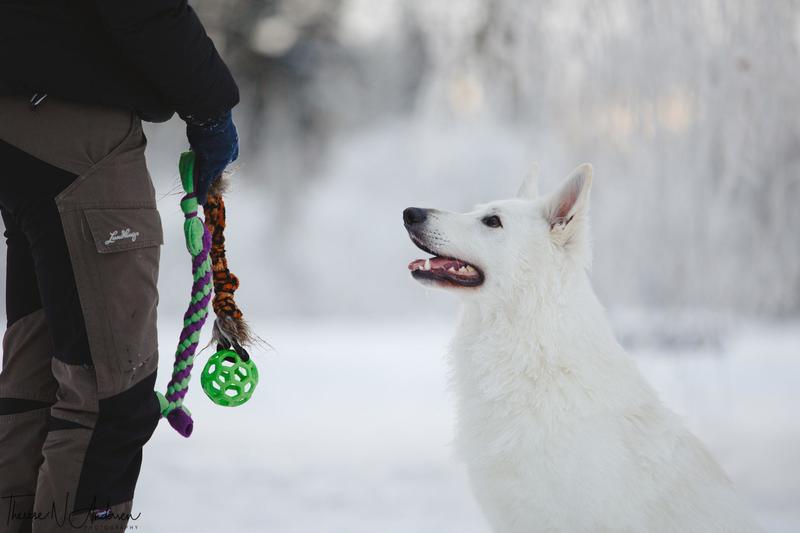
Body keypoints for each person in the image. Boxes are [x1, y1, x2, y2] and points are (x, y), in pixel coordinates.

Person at [0, 1, 240, 531]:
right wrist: (211, 106)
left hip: (23, 125)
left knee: (35, 386)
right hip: (72, 135)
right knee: (110, 399)